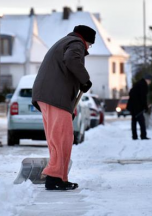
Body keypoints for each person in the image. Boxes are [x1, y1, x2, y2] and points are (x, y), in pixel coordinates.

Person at [32, 25, 95, 190]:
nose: (88, 48)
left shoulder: (65, 42)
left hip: (47, 95)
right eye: (89, 44)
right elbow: (71, 60)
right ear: (85, 40)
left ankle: (57, 177)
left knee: (56, 138)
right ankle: (55, 178)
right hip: (54, 96)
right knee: (63, 139)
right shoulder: (76, 43)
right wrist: (85, 80)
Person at [126, 74, 152, 140]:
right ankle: (143, 136)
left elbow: (131, 93)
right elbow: (143, 98)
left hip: (132, 106)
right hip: (137, 107)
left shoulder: (138, 84)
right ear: (147, 80)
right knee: (142, 121)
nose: (150, 83)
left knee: (134, 121)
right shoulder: (143, 85)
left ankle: (134, 136)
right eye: (150, 81)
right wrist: (145, 107)